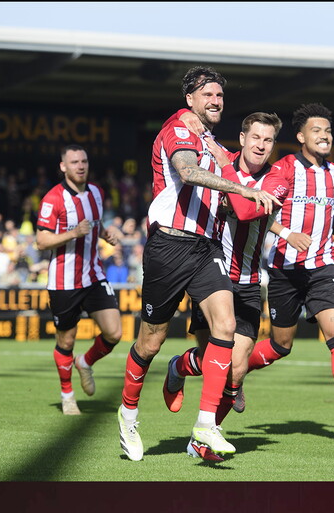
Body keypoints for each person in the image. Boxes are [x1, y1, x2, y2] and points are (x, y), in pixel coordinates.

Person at [116, 66, 281, 462]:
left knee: (225, 324)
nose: (215, 101)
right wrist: (240, 185)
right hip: (169, 245)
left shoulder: (210, 138)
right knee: (150, 341)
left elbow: (232, 174)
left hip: (206, 249)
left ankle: (206, 425)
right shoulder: (178, 131)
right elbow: (188, 173)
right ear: (189, 98)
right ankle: (127, 412)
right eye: (208, 94)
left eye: (220, 96)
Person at [159, 111, 312, 461]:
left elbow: (246, 211)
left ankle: (198, 429)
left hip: (248, 282)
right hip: (210, 275)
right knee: (220, 359)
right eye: (255, 137)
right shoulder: (212, 162)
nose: (261, 145)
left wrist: (224, 164)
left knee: (236, 370)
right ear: (243, 139)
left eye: (268, 140)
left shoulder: (275, 178)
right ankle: (187, 387)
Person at [241, 103, 334, 446]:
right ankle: (238, 372)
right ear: (301, 136)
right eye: (317, 130)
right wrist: (286, 233)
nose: (325, 136)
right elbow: (259, 207)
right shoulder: (286, 168)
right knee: (280, 345)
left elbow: (333, 218)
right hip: (285, 270)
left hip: (323, 267)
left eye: (328, 131)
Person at [35, 144, 124, 415]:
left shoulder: (96, 192)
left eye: (84, 160)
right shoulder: (53, 199)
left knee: (115, 332)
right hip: (63, 280)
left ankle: (84, 362)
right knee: (66, 341)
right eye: (74, 162)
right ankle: (67, 396)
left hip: (94, 274)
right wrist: (73, 233)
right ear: (63, 166)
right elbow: (41, 240)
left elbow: (95, 226)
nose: (80, 166)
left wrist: (106, 234)